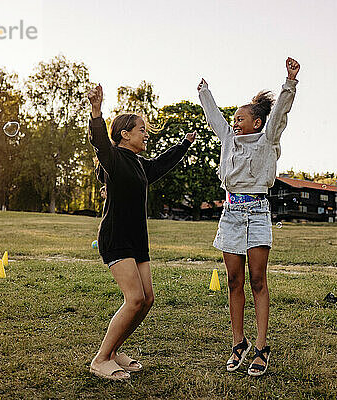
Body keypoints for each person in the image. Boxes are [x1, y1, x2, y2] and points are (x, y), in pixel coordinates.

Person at [197, 57, 300, 376]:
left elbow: (280, 114)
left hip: (256, 212)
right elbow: (214, 119)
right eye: (234, 118)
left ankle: (261, 346)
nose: (235, 122)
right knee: (233, 280)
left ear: (257, 123)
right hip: (230, 213)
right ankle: (238, 343)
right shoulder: (229, 139)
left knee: (257, 280)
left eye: (241, 118)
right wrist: (205, 93)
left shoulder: (267, 139)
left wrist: (289, 82)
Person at [87, 84, 195, 380]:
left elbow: (162, 164)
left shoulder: (139, 164)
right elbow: (98, 142)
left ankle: (115, 351)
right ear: (125, 134)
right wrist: (97, 111)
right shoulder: (113, 158)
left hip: (137, 241)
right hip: (116, 238)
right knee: (134, 299)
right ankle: (100, 359)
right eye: (142, 130)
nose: (146, 134)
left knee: (147, 299)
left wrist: (184, 144)